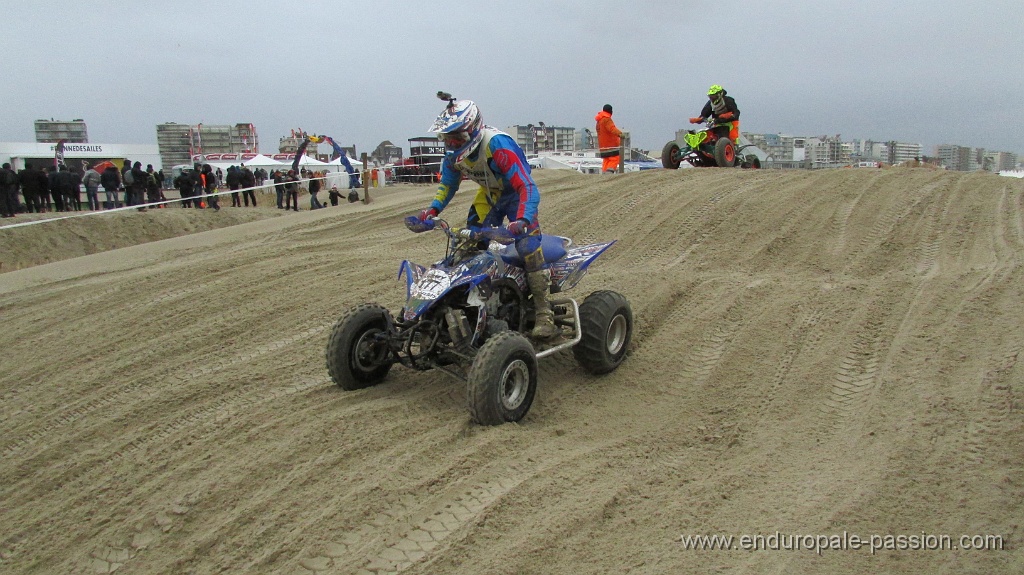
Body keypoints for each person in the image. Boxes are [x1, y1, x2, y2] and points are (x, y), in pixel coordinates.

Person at [411, 97, 558, 339]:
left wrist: (521, 220)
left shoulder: (497, 145)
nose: (451, 142)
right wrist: (432, 211)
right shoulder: (452, 155)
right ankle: (468, 305)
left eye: (456, 137)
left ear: (472, 130)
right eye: (446, 137)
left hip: (516, 193)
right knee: (469, 242)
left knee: (528, 245)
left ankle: (544, 313)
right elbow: (448, 184)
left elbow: (527, 187)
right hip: (489, 195)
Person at [595, 104, 624, 173]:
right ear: (610, 111)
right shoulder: (607, 119)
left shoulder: (599, 121)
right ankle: (609, 173)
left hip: (602, 146)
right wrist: (620, 134)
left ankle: (604, 172)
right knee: (615, 158)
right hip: (610, 145)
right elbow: (612, 128)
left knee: (606, 159)